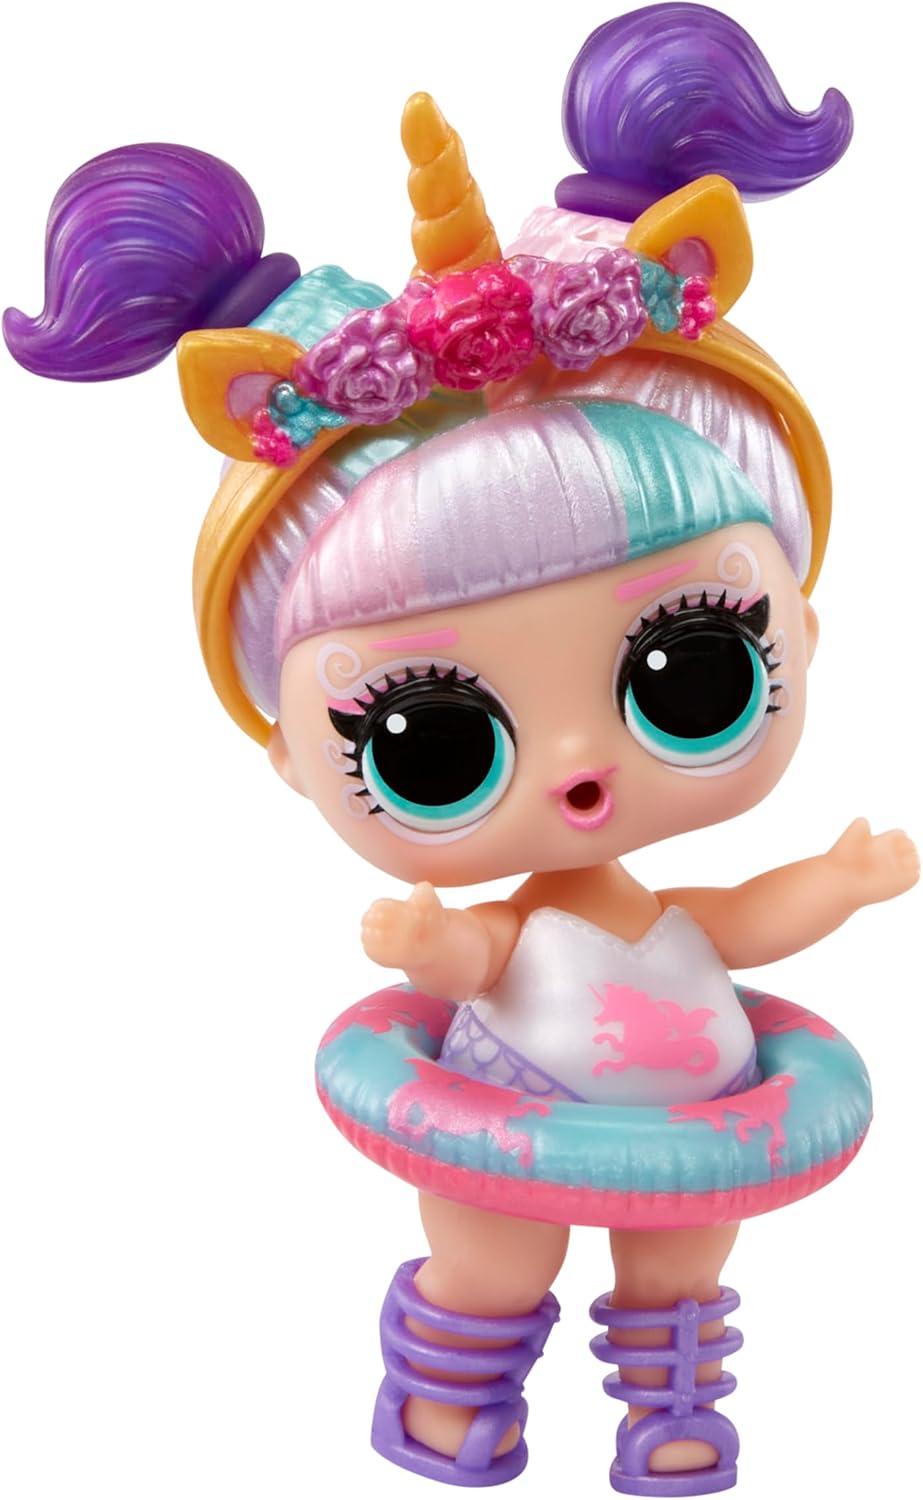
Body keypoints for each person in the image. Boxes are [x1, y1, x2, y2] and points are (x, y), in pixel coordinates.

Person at [6, 5, 917, 1493]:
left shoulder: (656, 911)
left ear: (801, 628)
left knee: (686, 1259)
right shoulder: (528, 928)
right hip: (507, 1117)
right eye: (430, 740)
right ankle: (450, 1401)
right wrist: (439, 949)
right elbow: (492, 957)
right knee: (492, 1260)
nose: (580, 767)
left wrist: (840, 880)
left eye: (693, 667)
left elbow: (741, 923)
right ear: (293, 755)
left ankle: (673, 1410)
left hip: (701, 1114)